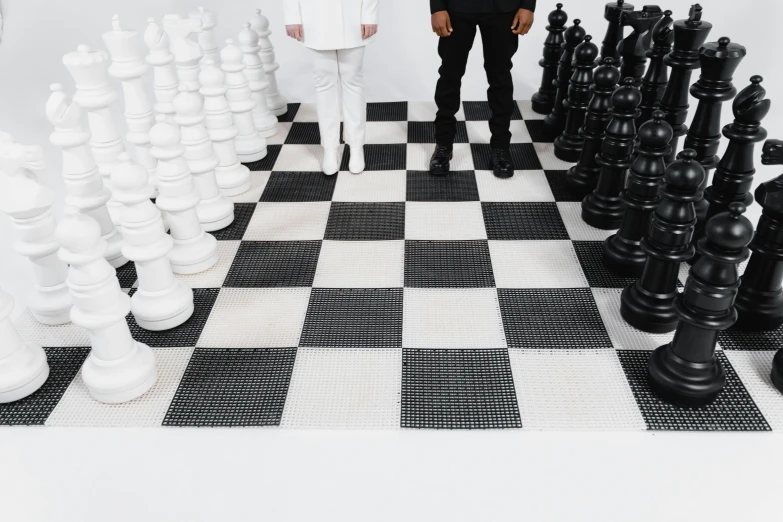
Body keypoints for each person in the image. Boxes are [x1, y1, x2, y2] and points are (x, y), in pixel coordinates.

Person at [429, 0, 536, 178]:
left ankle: (501, 146)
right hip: (456, 8)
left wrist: (528, 5)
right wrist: (437, 7)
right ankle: (443, 144)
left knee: (500, 77)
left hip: (504, 9)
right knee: (450, 75)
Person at [284, 0, 379, 176]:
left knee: (353, 81)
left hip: (353, 13)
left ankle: (356, 146)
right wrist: (292, 16)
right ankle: (329, 147)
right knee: (324, 83)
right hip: (315, 16)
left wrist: (369, 14)